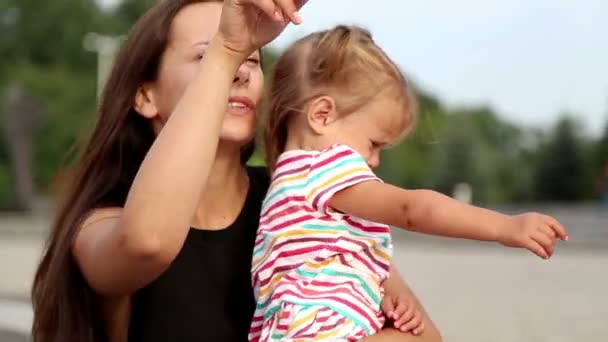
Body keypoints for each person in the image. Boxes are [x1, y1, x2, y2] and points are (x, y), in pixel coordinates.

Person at [31, 1, 442, 341]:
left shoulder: (304, 201)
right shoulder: (100, 225)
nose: (241, 70)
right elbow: (149, 243)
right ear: (145, 96)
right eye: (206, 54)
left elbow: (423, 336)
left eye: (253, 58)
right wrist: (227, 49)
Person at [250, 24, 570, 341]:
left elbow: (326, 270)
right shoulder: (324, 167)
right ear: (322, 115)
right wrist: (505, 227)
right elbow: (412, 210)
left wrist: (379, 300)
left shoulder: (285, 186)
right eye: (373, 143)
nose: (374, 161)